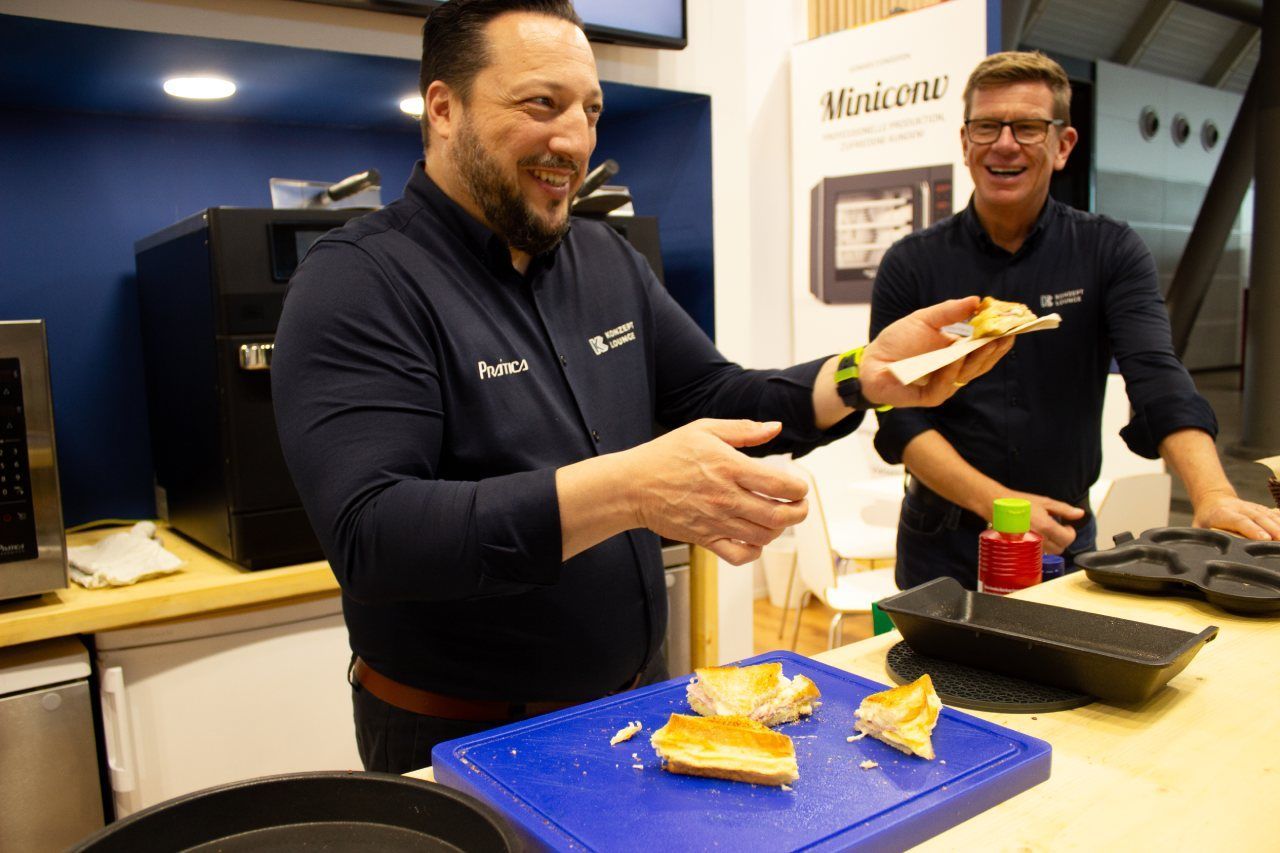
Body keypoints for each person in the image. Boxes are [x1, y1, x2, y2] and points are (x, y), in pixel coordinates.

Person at [271, 0, 1009, 774]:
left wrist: (864, 374)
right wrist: (629, 490)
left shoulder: (605, 259)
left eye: (590, 110)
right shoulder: (359, 280)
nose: (575, 140)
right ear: (444, 107)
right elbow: (375, 534)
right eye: (541, 104)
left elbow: (719, 396)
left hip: (636, 708)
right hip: (465, 740)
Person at [869, 50, 1280, 592]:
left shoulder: (1109, 251)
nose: (1005, 143)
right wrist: (999, 504)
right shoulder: (911, 262)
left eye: (1029, 127)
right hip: (941, 536)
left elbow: (1156, 374)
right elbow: (899, 415)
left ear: (1063, 146)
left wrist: (1212, 494)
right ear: (966, 143)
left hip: (1062, 535)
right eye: (988, 126)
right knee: (935, 679)